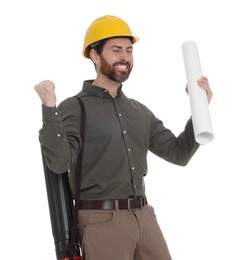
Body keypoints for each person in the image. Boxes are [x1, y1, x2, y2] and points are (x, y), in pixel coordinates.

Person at [35, 15, 213, 260]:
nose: (125, 57)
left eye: (129, 51)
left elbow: (178, 153)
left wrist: (199, 109)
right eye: (116, 50)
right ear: (94, 56)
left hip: (145, 217)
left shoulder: (138, 111)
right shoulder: (74, 107)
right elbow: (59, 162)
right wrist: (49, 107)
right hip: (100, 222)